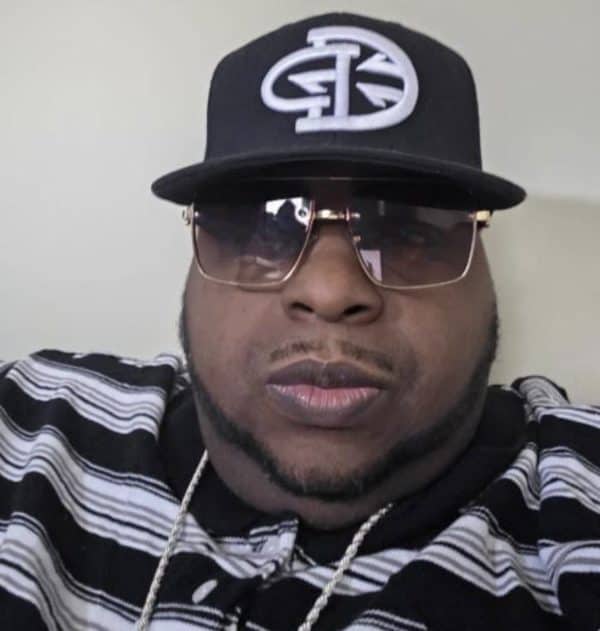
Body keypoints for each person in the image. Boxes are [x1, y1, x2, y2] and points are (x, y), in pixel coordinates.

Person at [0, 11, 598, 631]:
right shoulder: (32, 426)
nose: (329, 291)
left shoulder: (570, 501)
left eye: (409, 231)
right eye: (264, 226)